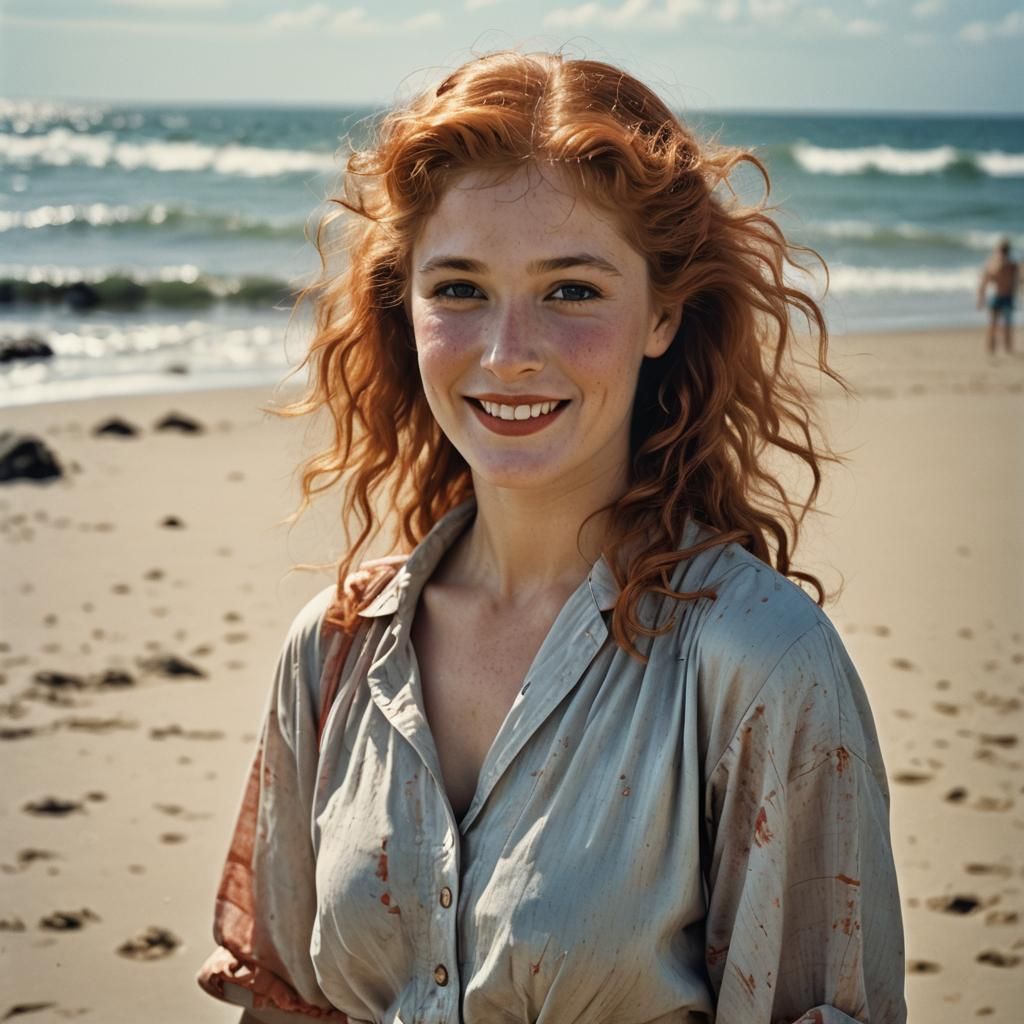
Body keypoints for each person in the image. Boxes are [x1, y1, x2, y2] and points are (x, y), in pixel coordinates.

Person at [197, 50, 906, 1023]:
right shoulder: (331, 650)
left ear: (661, 311)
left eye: (570, 289)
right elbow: (284, 1005)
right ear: (403, 307)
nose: (507, 353)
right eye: (459, 289)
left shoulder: (759, 665)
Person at [977, 238, 1018, 354]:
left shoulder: (1012, 265)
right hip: (998, 296)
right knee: (995, 324)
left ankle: (1005, 348)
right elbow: (985, 281)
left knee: (1005, 324)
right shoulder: (995, 264)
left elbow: (1018, 282)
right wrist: (981, 297)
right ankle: (993, 348)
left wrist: (981, 298)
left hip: (1005, 297)